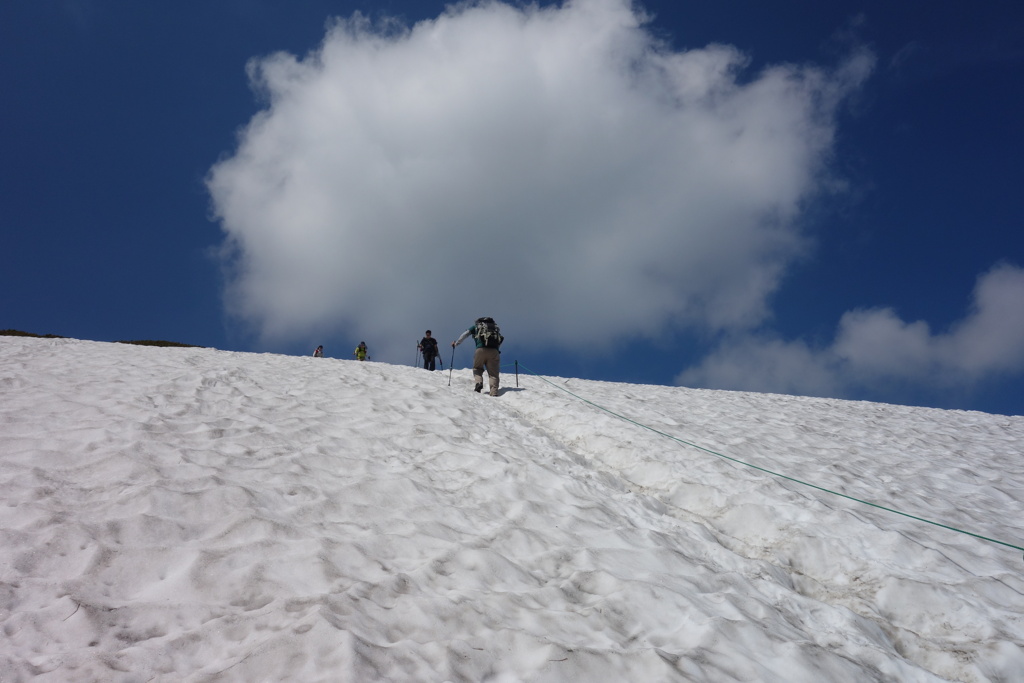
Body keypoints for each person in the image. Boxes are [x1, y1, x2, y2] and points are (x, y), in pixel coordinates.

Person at [452, 317, 503, 396]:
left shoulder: (476, 327)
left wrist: (456, 343)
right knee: (493, 374)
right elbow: (499, 339)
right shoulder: (495, 328)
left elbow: (465, 334)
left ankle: (479, 383)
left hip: (480, 349)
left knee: (477, 368)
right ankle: (494, 392)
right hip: (494, 351)